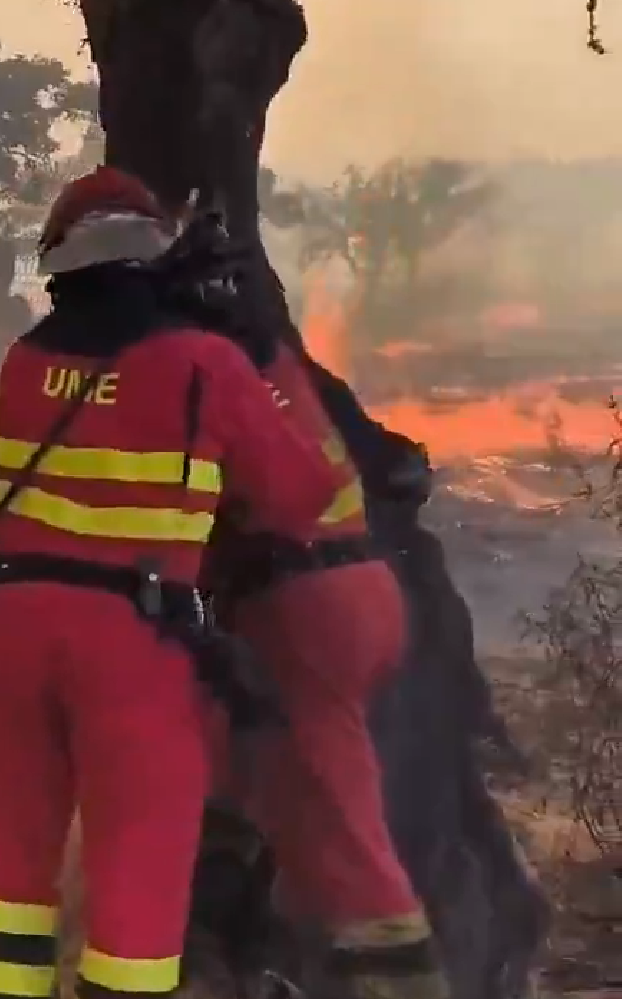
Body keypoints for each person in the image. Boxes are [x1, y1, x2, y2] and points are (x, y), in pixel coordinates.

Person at [0, 166, 346, 999]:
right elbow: (300, 496)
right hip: (134, 645)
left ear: (62, 269)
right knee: (138, 870)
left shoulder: (23, 364)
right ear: (157, 260)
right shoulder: (205, 363)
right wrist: (250, 354)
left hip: (10, 636)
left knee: (1, 875)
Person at [206, 333, 453, 999]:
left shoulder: (193, 367)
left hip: (304, 616)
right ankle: (251, 957)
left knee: (343, 828)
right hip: (353, 592)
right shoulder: (273, 359)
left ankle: (401, 982)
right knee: (241, 783)